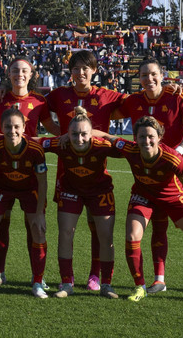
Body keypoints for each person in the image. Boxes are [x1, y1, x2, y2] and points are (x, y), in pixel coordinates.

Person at [117, 58, 183, 295]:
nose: (148, 79)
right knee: (158, 225)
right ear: (138, 79)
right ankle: (159, 279)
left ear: (162, 75)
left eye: (153, 74)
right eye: (143, 75)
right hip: (150, 168)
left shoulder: (177, 95)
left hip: (180, 168)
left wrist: (178, 152)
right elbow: (103, 109)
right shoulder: (133, 101)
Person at [46, 50, 127, 292]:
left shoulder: (107, 96)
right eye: (75, 68)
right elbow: (31, 104)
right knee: (66, 231)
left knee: (98, 228)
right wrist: (57, 132)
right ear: (70, 72)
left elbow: (141, 102)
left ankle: (96, 275)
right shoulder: (59, 95)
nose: (80, 73)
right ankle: (67, 280)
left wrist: (171, 90)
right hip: (67, 174)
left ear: (94, 71)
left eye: (85, 68)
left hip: (96, 174)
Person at [108, 116, 183, 303]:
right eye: (142, 137)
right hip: (143, 197)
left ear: (159, 137)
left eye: (151, 136)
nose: (146, 141)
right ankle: (140, 287)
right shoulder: (130, 149)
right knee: (132, 236)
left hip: (170, 197)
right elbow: (107, 137)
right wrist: (84, 132)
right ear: (135, 138)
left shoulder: (172, 157)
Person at [0, 57, 59, 287]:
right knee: (0, 225)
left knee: (35, 225)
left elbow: (52, 129)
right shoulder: (0, 98)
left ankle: (37, 276)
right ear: (8, 74)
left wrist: (73, 135)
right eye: (15, 70)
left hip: (31, 173)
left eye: (24, 71)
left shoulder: (39, 101)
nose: (19, 74)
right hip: (2, 171)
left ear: (31, 75)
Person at [39, 107, 120, 299]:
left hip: (99, 191)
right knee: (66, 233)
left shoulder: (102, 146)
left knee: (105, 235)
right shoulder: (61, 144)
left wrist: (104, 135)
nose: (79, 138)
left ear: (91, 134)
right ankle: (67, 283)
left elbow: (130, 148)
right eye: (74, 134)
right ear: (67, 134)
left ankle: (106, 284)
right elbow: (33, 143)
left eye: (84, 134)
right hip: (70, 190)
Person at [0, 107, 49, 298]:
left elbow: (42, 182)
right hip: (1, 188)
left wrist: (40, 214)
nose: (12, 131)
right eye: (8, 127)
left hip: (28, 189)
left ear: (24, 127)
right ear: (1, 127)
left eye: (17, 126)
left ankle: (37, 282)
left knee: (38, 230)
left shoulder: (34, 149)